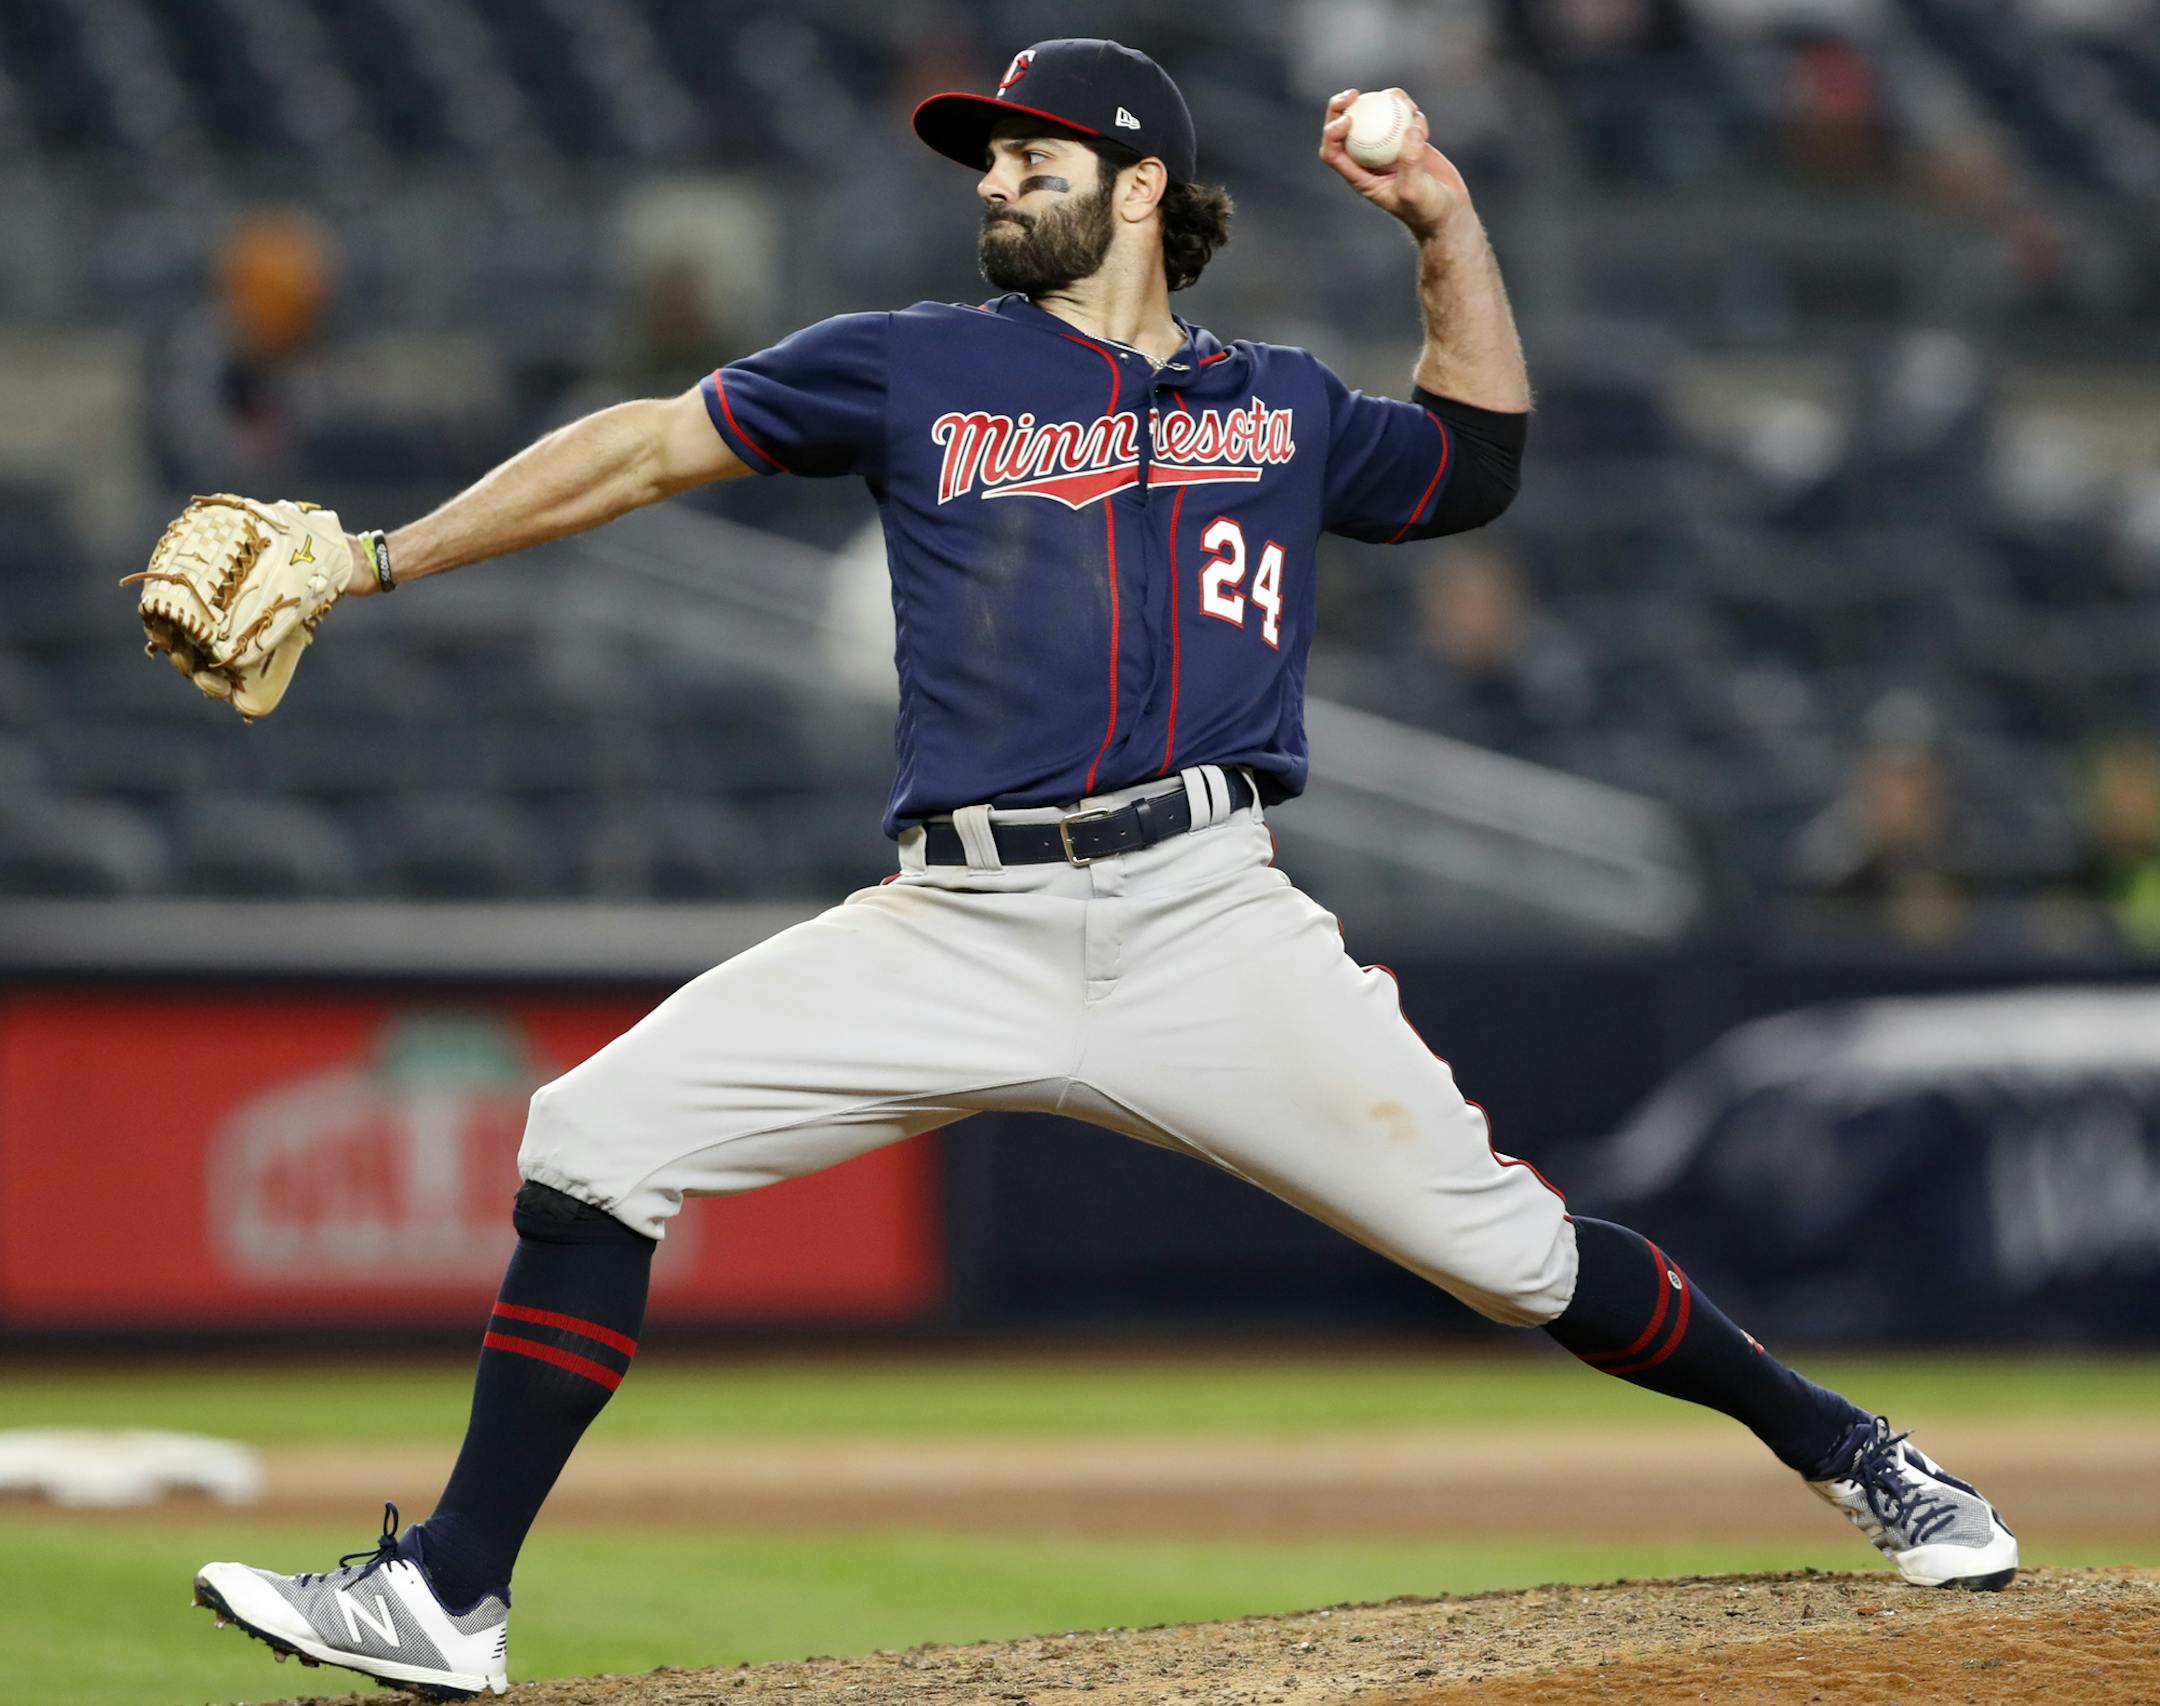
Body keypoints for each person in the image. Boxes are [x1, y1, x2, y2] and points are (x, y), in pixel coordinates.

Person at [190, 40, 2017, 1699]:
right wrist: (369, 561)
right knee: (588, 1140)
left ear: (1140, 185)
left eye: (1032, 153)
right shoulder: (914, 360)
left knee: (1516, 1254)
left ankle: (1859, 1450)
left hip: (1211, 917)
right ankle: (452, 1592)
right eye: (985, 159)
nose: (994, 179)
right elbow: (644, 447)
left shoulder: (1280, 403)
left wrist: (1444, 224)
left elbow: (1472, 466)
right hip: (956, 916)